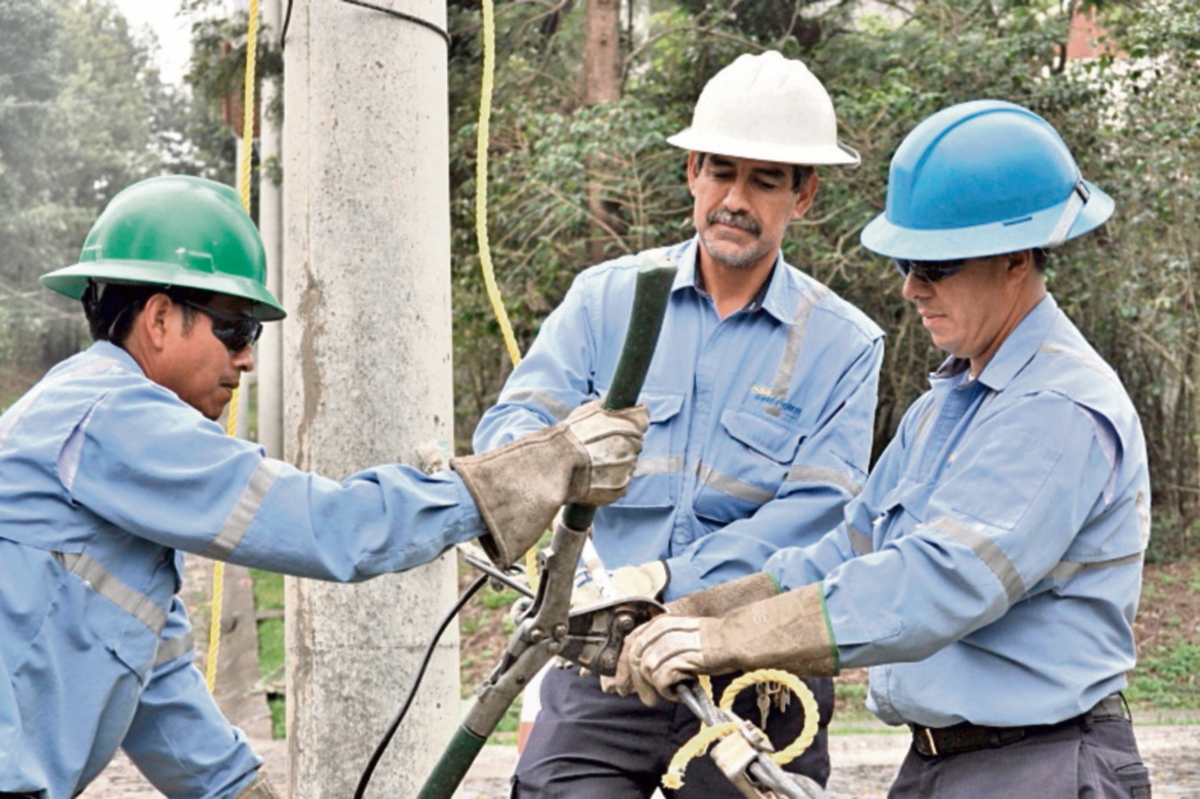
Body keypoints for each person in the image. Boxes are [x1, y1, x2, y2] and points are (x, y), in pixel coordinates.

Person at [0, 175, 648, 799]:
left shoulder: (101, 452)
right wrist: (525, 473)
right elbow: (331, 527)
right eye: (236, 328)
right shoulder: (113, 418)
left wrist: (245, 790)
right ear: (162, 318)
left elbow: (160, 690)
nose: (247, 358)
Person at [613, 100, 1153, 799]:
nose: (910, 287)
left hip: (1037, 764)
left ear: (1018, 257)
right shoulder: (942, 410)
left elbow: (933, 583)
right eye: (906, 262)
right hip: (941, 763)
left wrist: (726, 640)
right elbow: (841, 555)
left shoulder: (1058, 409)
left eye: (936, 266)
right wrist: (687, 608)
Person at [472, 51, 884, 797]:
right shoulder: (608, 301)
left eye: (765, 180)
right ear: (692, 170)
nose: (735, 198)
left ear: (806, 196)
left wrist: (668, 579)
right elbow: (512, 424)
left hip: (754, 674)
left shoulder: (843, 345)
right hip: (604, 664)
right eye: (722, 170)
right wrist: (554, 467)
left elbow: (818, 515)